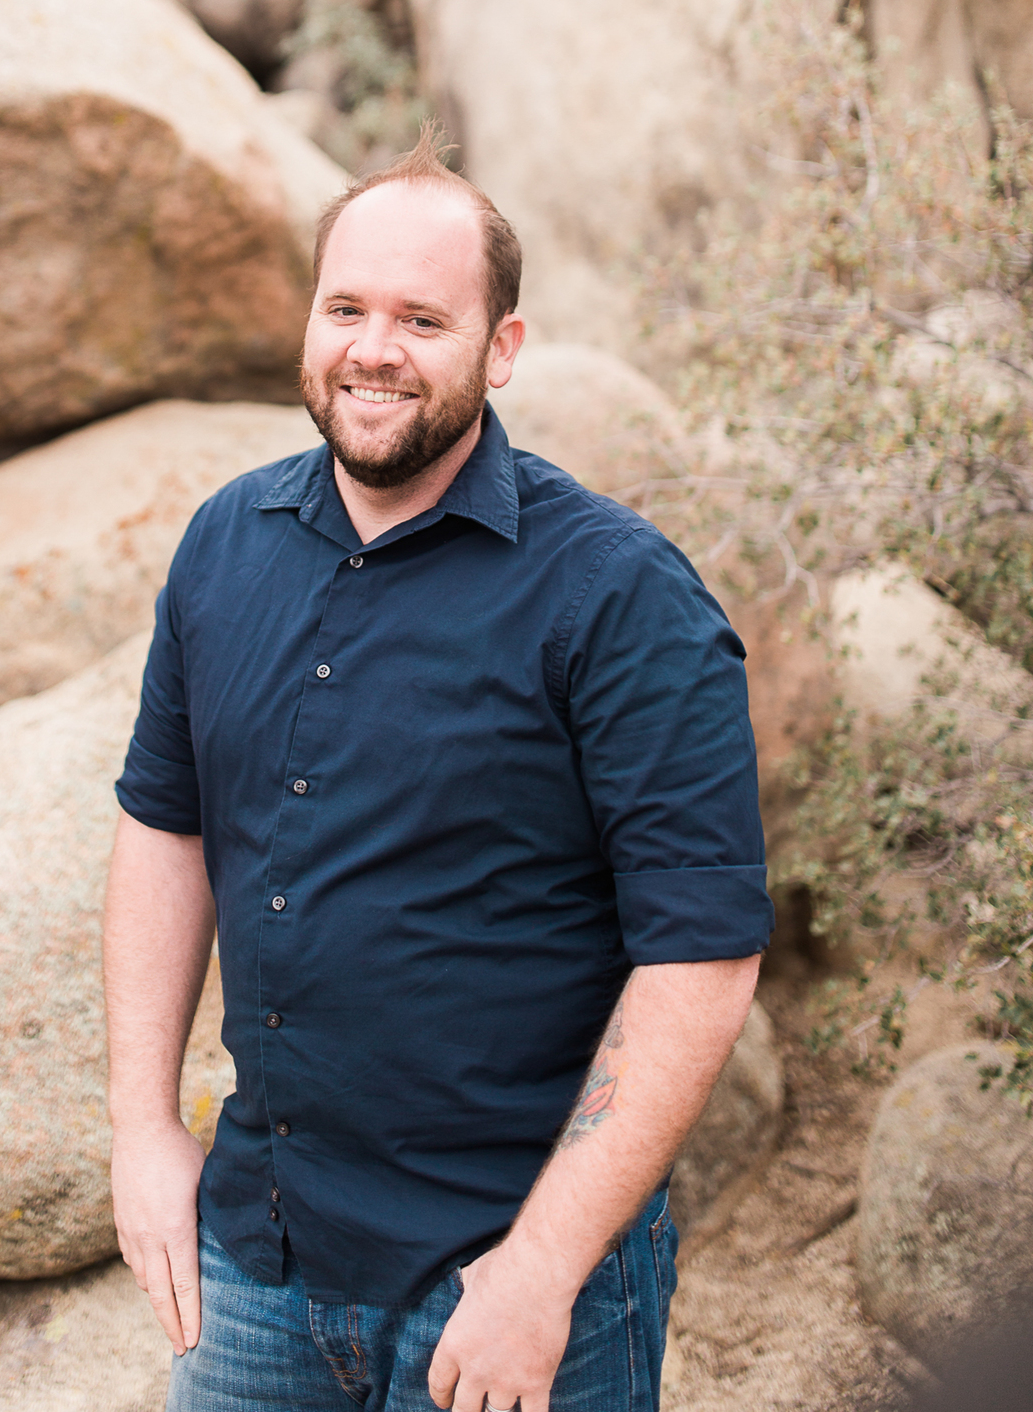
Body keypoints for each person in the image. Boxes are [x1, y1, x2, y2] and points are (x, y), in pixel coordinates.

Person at [105, 129, 772, 1412]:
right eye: (345, 307)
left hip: (512, 1280)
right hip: (259, 1261)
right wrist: (142, 1127)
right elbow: (163, 827)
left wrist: (543, 1267)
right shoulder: (221, 544)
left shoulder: (621, 595)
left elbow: (702, 954)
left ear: (500, 348)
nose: (372, 348)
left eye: (422, 317)